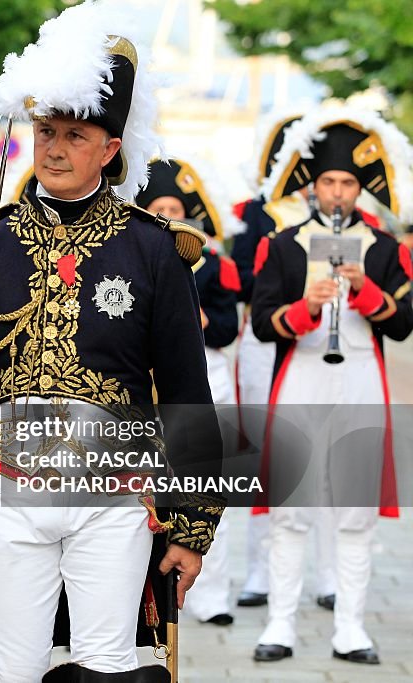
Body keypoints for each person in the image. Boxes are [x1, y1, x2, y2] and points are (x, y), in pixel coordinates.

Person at [0, 3, 224, 680]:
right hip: (6, 496)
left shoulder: (153, 251)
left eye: (75, 135)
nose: (54, 148)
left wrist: (192, 526)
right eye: (45, 130)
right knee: (8, 667)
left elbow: (186, 395)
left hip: (114, 501)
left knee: (109, 666)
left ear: (110, 149)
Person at [251, 106, 413, 665]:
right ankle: (279, 624)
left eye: (347, 183)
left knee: (355, 509)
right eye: (329, 182)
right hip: (302, 378)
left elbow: (403, 322)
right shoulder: (282, 244)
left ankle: (350, 628)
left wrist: (367, 291)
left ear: (358, 189)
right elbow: (261, 323)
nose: (338, 193)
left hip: (361, 381)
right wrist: (304, 308)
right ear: (312, 187)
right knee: (291, 508)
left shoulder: (388, 249)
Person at [231, 113, 339, 610]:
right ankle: (260, 569)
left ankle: (330, 573)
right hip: (269, 337)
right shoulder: (259, 212)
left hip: (325, 342)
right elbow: (249, 283)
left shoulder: (344, 215)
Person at [135, 157, 242, 628]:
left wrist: (196, 322)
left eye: (174, 206)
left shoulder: (216, 263)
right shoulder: (133, 256)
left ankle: (214, 594)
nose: (167, 214)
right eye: (158, 206)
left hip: (202, 381)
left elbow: (228, 325)